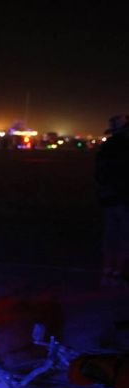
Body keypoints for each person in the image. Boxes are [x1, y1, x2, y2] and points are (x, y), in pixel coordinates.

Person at [95, 114, 129, 285]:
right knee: (124, 237)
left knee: (110, 236)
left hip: (109, 198)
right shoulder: (124, 147)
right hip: (123, 199)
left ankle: (107, 270)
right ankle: (118, 270)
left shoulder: (107, 147)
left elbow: (99, 173)